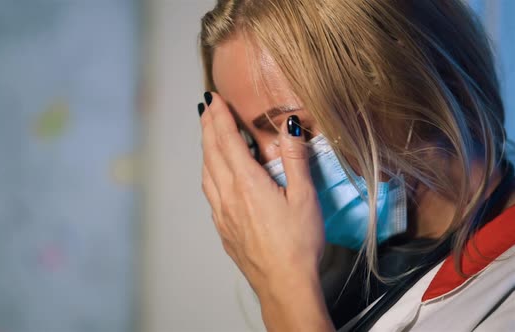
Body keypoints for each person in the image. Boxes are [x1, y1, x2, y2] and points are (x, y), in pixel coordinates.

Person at [195, 0, 515, 331]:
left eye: (293, 128)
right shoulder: (346, 277)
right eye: (249, 141)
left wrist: (286, 292)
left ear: (403, 84)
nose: (264, 171)